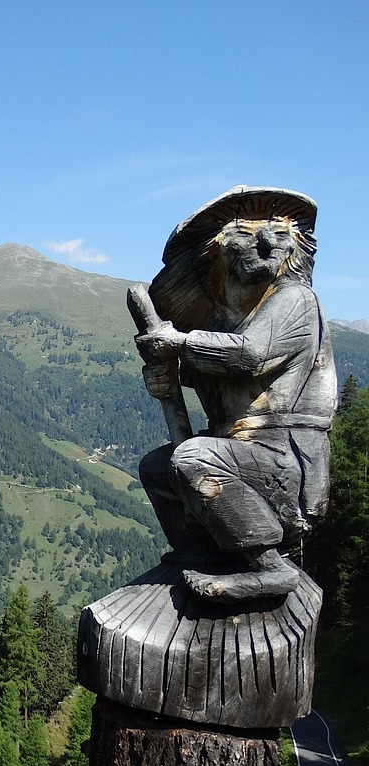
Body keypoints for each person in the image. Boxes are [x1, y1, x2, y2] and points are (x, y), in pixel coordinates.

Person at [134, 187, 337, 601]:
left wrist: (177, 342)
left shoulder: (295, 299)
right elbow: (214, 375)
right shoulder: (229, 320)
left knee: (192, 458)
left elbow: (250, 356)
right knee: (157, 467)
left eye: (280, 233)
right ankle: (196, 550)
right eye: (244, 233)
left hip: (284, 460)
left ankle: (270, 568)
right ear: (216, 251)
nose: (265, 244)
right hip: (247, 456)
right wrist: (167, 378)